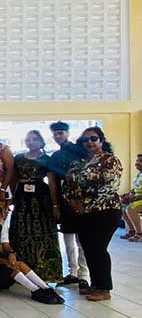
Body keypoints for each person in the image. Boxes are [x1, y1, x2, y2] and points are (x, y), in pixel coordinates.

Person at [64, 127, 123, 302]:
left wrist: (84, 197)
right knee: (88, 248)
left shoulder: (110, 160)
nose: (89, 142)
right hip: (83, 212)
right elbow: (67, 185)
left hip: (105, 211)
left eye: (93, 138)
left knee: (98, 248)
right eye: (85, 140)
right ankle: (95, 284)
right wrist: (74, 201)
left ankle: (105, 288)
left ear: (101, 140)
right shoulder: (79, 162)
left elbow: (107, 184)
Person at [0, 204, 62, 304]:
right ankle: (35, 290)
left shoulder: (1, 227)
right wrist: (4, 261)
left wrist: (11, 254)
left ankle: (45, 288)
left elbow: (6, 245)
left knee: (17, 262)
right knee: (10, 267)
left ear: (1, 217)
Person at [10, 130, 62, 282]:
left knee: (44, 234)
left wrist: (55, 205)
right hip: (22, 199)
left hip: (41, 199)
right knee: (19, 232)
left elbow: (51, 183)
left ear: (41, 141)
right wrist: (10, 199)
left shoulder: (47, 159)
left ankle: (46, 273)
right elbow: (14, 180)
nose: (31, 142)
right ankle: (22, 271)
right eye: (28, 139)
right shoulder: (18, 158)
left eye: (34, 139)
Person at [48, 121, 89, 288]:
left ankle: (83, 275)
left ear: (67, 133)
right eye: (56, 134)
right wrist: (55, 205)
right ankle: (72, 272)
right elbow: (53, 182)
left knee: (82, 240)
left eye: (61, 133)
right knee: (67, 239)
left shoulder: (80, 151)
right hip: (64, 202)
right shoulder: (55, 156)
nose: (58, 136)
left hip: (81, 201)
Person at [121, 154, 142, 241]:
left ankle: (139, 233)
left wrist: (134, 198)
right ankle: (132, 230)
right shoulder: (138, 174)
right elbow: (135, 188)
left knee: (130, 209)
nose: (137, 163)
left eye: (140, 161)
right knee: (122, 206)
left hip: (139, 199)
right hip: (137, 199)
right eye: (137, 161)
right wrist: (128, 194)